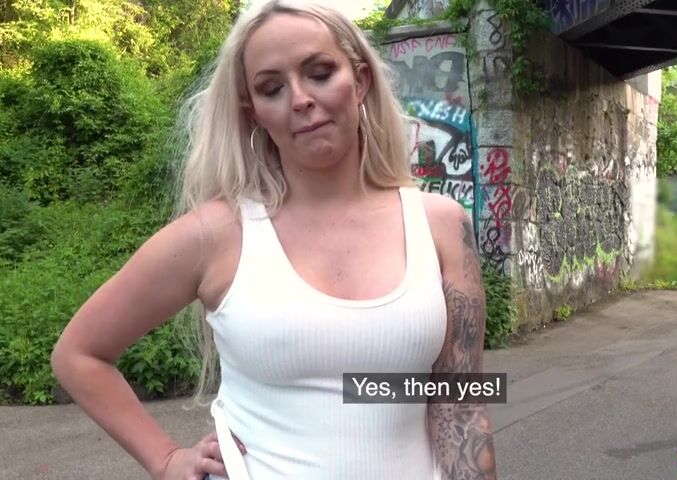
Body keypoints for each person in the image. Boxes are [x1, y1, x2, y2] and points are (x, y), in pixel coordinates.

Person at [50, 1, 497, 479]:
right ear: (254, 112)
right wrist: (166, 460)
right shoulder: (218, 234)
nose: (300, 99)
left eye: (320, 73)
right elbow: (79, 354)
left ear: (361, 80)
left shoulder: (440, 226)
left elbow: (460, 406)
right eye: (272, 88)